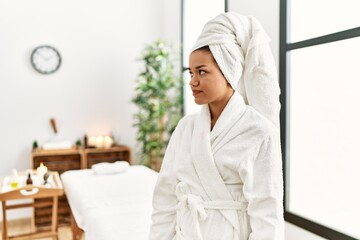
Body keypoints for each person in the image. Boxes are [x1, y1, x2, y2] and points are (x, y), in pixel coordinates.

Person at [149, 12, 284, 240]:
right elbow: (165, 197)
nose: (192, 81)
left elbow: (267, 213)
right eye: (191, 72)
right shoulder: (186, 127)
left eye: (202, 71)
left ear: (229, 70)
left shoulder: (259, 131)